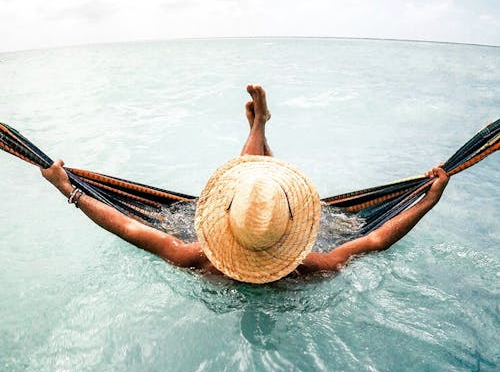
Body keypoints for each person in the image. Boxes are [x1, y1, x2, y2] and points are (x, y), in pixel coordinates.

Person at [41, 84, 449, 283]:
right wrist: (428, 200)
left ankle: (259, 124)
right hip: (291, 280)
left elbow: (128, 226)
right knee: (255, 188)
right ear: (293, 230)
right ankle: (260, 125)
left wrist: (67, 187)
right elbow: (376, 241)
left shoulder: (196, 258)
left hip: (221, 274)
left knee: (251, 188)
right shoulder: (310, 266)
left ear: (224, 232)